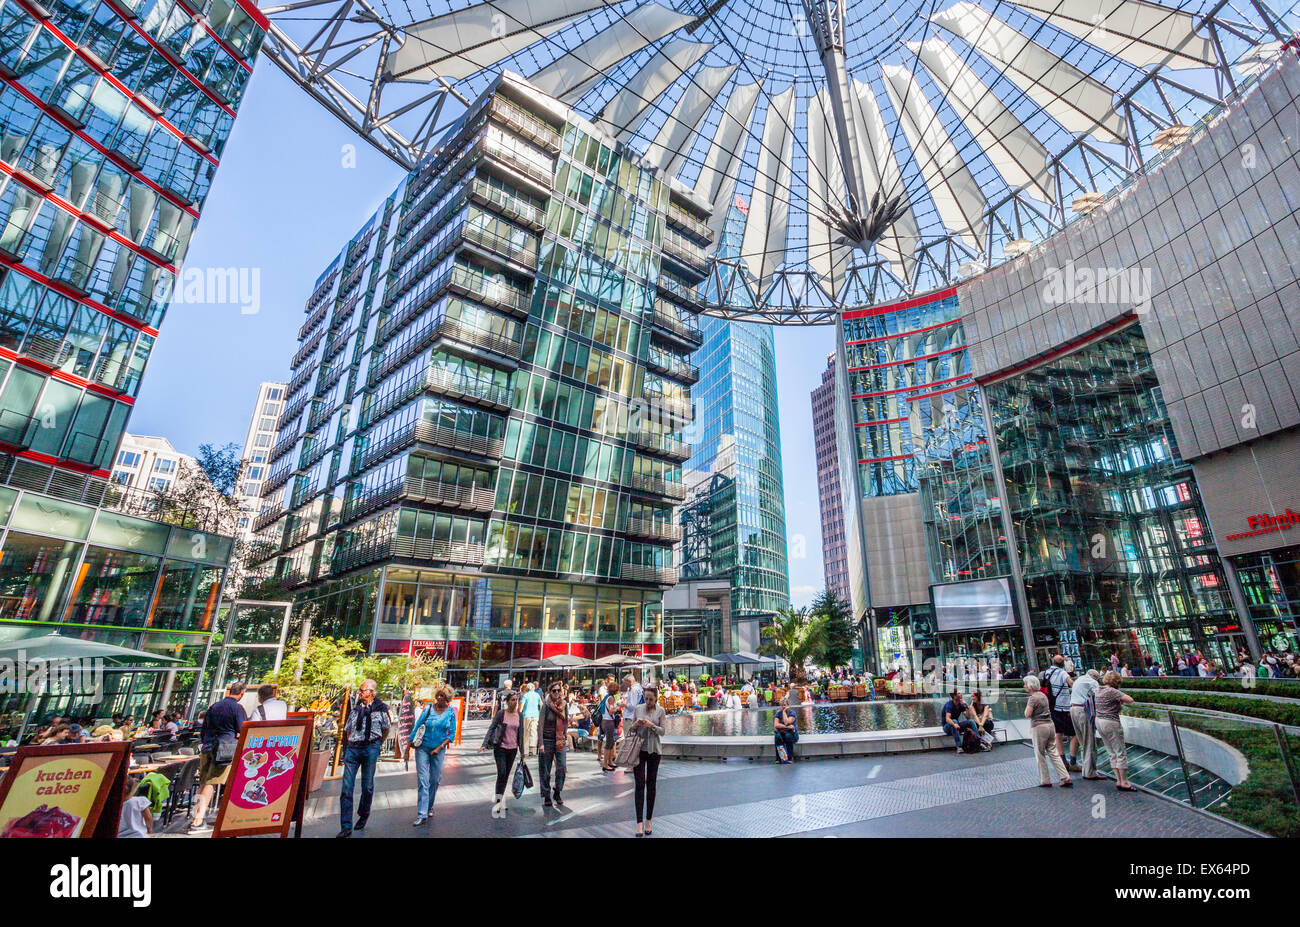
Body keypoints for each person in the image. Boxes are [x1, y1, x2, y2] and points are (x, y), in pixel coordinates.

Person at [190, 681, 248, 831]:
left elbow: (204, 728)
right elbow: (243, 729)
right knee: (211, 782)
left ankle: (195, 816)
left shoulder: (214, 706)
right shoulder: (237, 708)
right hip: (224, 750)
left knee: (203, 782)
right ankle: (198, 820)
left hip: (207, 747)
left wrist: (206, 742)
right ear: (242, 693)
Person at [337, 679, 390, 838]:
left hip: (370, 748)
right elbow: (348, 729)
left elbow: (386, 729)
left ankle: (364, 813)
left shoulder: (381, 709)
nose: (359, 693)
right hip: (353, 749)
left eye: (362, 690)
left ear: (371, 692)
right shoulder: (355, 709)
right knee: (346, 788)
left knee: (367, 786)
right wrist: (352, 742)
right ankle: (346, 826)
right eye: (359, 690)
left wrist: (377, 745)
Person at [410, 684, 457, 826]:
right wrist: (410, 742)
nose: (439, 697)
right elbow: (418, 725)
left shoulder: (450, 713)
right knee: (423, 780)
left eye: (442, 695)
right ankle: (422, 813)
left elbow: (452, 734)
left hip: (438, 749)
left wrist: (440, 747)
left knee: (435, 780)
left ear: (447, 698)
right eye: (438, 695)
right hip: (423, 748)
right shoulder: (428, 708)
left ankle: (429, 806)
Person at [629, 685, 666, 836]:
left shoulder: (661, 711)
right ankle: (639, 822)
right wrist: (636, 724)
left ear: (656, 698)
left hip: (654, 751)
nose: (648, 702)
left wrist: (652, 726)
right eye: (646, 699)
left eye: (651, 699)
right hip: (638, 751)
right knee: (639, 785)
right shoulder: (638, 709)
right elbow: (631, 729)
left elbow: (663, 731)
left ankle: (649, 820)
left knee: (651, 785)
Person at [480, 689, 522, 818]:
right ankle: (498, 801)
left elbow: (521, 734)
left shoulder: (520, 715)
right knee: (502, 773)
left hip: (513, 749)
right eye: (512, 700)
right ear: (507, 702)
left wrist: (523, 751)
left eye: (516, 700)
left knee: (506, 775)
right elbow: (492, 728)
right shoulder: (501, 714)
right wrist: (484, 743)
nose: (515, 702)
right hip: (501, 748)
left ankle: (501, 797)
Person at [1024, 675, 1071, 787]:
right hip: (1050, 725)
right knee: (1053, 752)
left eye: (1025, 684)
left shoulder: (1033, 698)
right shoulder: (1043, 695)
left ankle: (1045, 779)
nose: (1024, 686)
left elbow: (1027, 714)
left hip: (1039, 727)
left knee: (1040, 753)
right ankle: (1065, 776)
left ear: (1030, 686)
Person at [1096, 672, 1137, 791]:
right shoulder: (1112, 691)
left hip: (1099, 721)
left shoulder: (1098, 690)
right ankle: (1124, 781)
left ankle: (1118, 780)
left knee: (1111, 752)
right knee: (1120, 752)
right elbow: (1130, 700)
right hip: (1111, 722)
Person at [537, 681, 569, 808]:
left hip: (560, 739)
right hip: (547, 740)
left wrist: (565, 734)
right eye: (554, 690)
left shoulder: (564, 705)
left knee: (562, 767)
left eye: (558, 690)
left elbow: (566, 720)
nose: (556, 693)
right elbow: (540, 724)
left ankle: (557, 791)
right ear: (549, 692)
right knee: (545, 769)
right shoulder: (546, 705)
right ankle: (546, 794)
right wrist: (540, 743)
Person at [1040, 655, 1075, 765]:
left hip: (1052, 707)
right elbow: (1071, 683)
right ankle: (1073, 761)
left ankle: (1063, 760)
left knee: (1058, 734)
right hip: (1064, 707)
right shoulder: (1062, 673)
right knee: (1074, 734)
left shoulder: (1047, 672)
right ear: (1062, 664)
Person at [1068, 669, 1102, 778]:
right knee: (1089, 742)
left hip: (1073, 709)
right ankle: (1090, 773)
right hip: (1082, 711)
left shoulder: (1079, 679)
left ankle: (1085, 770)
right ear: (1096, 677)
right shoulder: (1093, 682)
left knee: (1083, 742)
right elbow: (1099, 695)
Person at [941, 689, 977, 753]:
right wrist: (954, 724)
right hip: (947, 727)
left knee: (971, 722)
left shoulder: (960, 705)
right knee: (954, 721)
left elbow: (968, 717)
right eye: (959, 693)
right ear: (954, 696)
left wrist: (966, 706)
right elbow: (947, 719)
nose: (961, 694)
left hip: (956, 726)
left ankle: (979, 741)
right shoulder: (949, 705)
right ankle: (959, 747)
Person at [598, 680, 621, 772]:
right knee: (609, 743)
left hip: (604, 721)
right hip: (609, 722)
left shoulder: (606, 697)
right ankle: (605, 764)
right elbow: (611, 711)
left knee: (611, 742)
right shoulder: (611, 698)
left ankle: (610, 761)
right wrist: (617, 708)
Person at [519, 682, 542, 758]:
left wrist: (519, 714)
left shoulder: (525, 695)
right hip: (536, 715)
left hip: (526, 715)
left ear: (527, 689)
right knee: (533, 732)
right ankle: (531, 750)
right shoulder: (537, 695)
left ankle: (524, 750)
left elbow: (521, 706)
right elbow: (541, 705)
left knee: (525, 732)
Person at [773, 697, 798, 763]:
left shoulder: (792, 713)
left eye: (784, 705)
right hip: (783, 732)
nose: (783, 707)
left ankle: (790, 757)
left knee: (788, 736)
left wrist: (784, 712)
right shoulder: (778, 713)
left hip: (792, 733)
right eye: (782, 705)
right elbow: (776, 725)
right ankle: (778, 758)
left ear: (788, 705)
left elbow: (787, 722)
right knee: (777, 736)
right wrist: (787, 727)